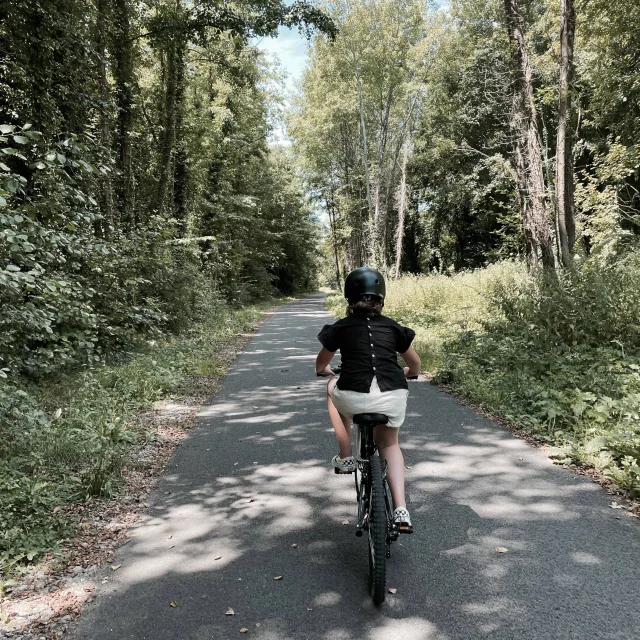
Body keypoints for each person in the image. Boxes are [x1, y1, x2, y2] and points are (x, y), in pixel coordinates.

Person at [315, 267, 421, 533]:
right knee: (389, 445)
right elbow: (415, 364)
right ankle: (400, 508)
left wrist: (324, 372)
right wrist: (410, 374)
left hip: (352, 396)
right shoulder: (393, 327)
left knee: (331, 386)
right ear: (381, 298)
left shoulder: (340, 327)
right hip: (391, 395)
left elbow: (322, 363)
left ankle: (346, 455)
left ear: (349, 298)